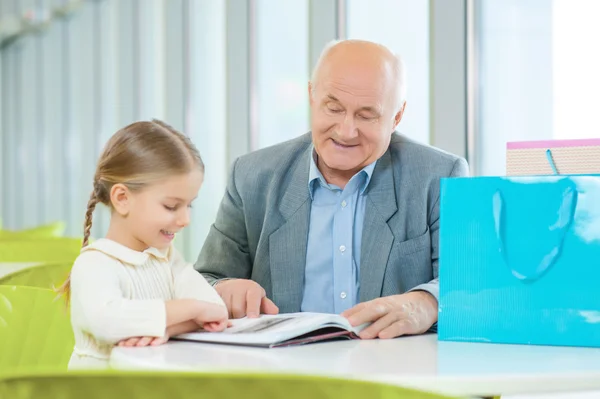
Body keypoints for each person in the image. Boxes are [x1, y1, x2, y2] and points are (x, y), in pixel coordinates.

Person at [195, 39, 469, 339]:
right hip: (284, 374)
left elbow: (471, 284)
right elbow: (204, 280)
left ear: (397, 117)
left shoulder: (440, 176)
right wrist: (222, 289)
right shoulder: (252, 176)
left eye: (366, 115)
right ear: (312, 97)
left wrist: (427, 302)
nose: (345, 131)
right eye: (334, 108)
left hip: (394, 374)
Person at [58, 120, 228, 369]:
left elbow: (215, 310)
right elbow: (108, 322)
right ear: (122, 198)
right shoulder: (93, 264)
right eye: (171, 206)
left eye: (189, 205)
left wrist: (166, 330)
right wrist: (190, 309)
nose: (185, 220)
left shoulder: (167, 259)